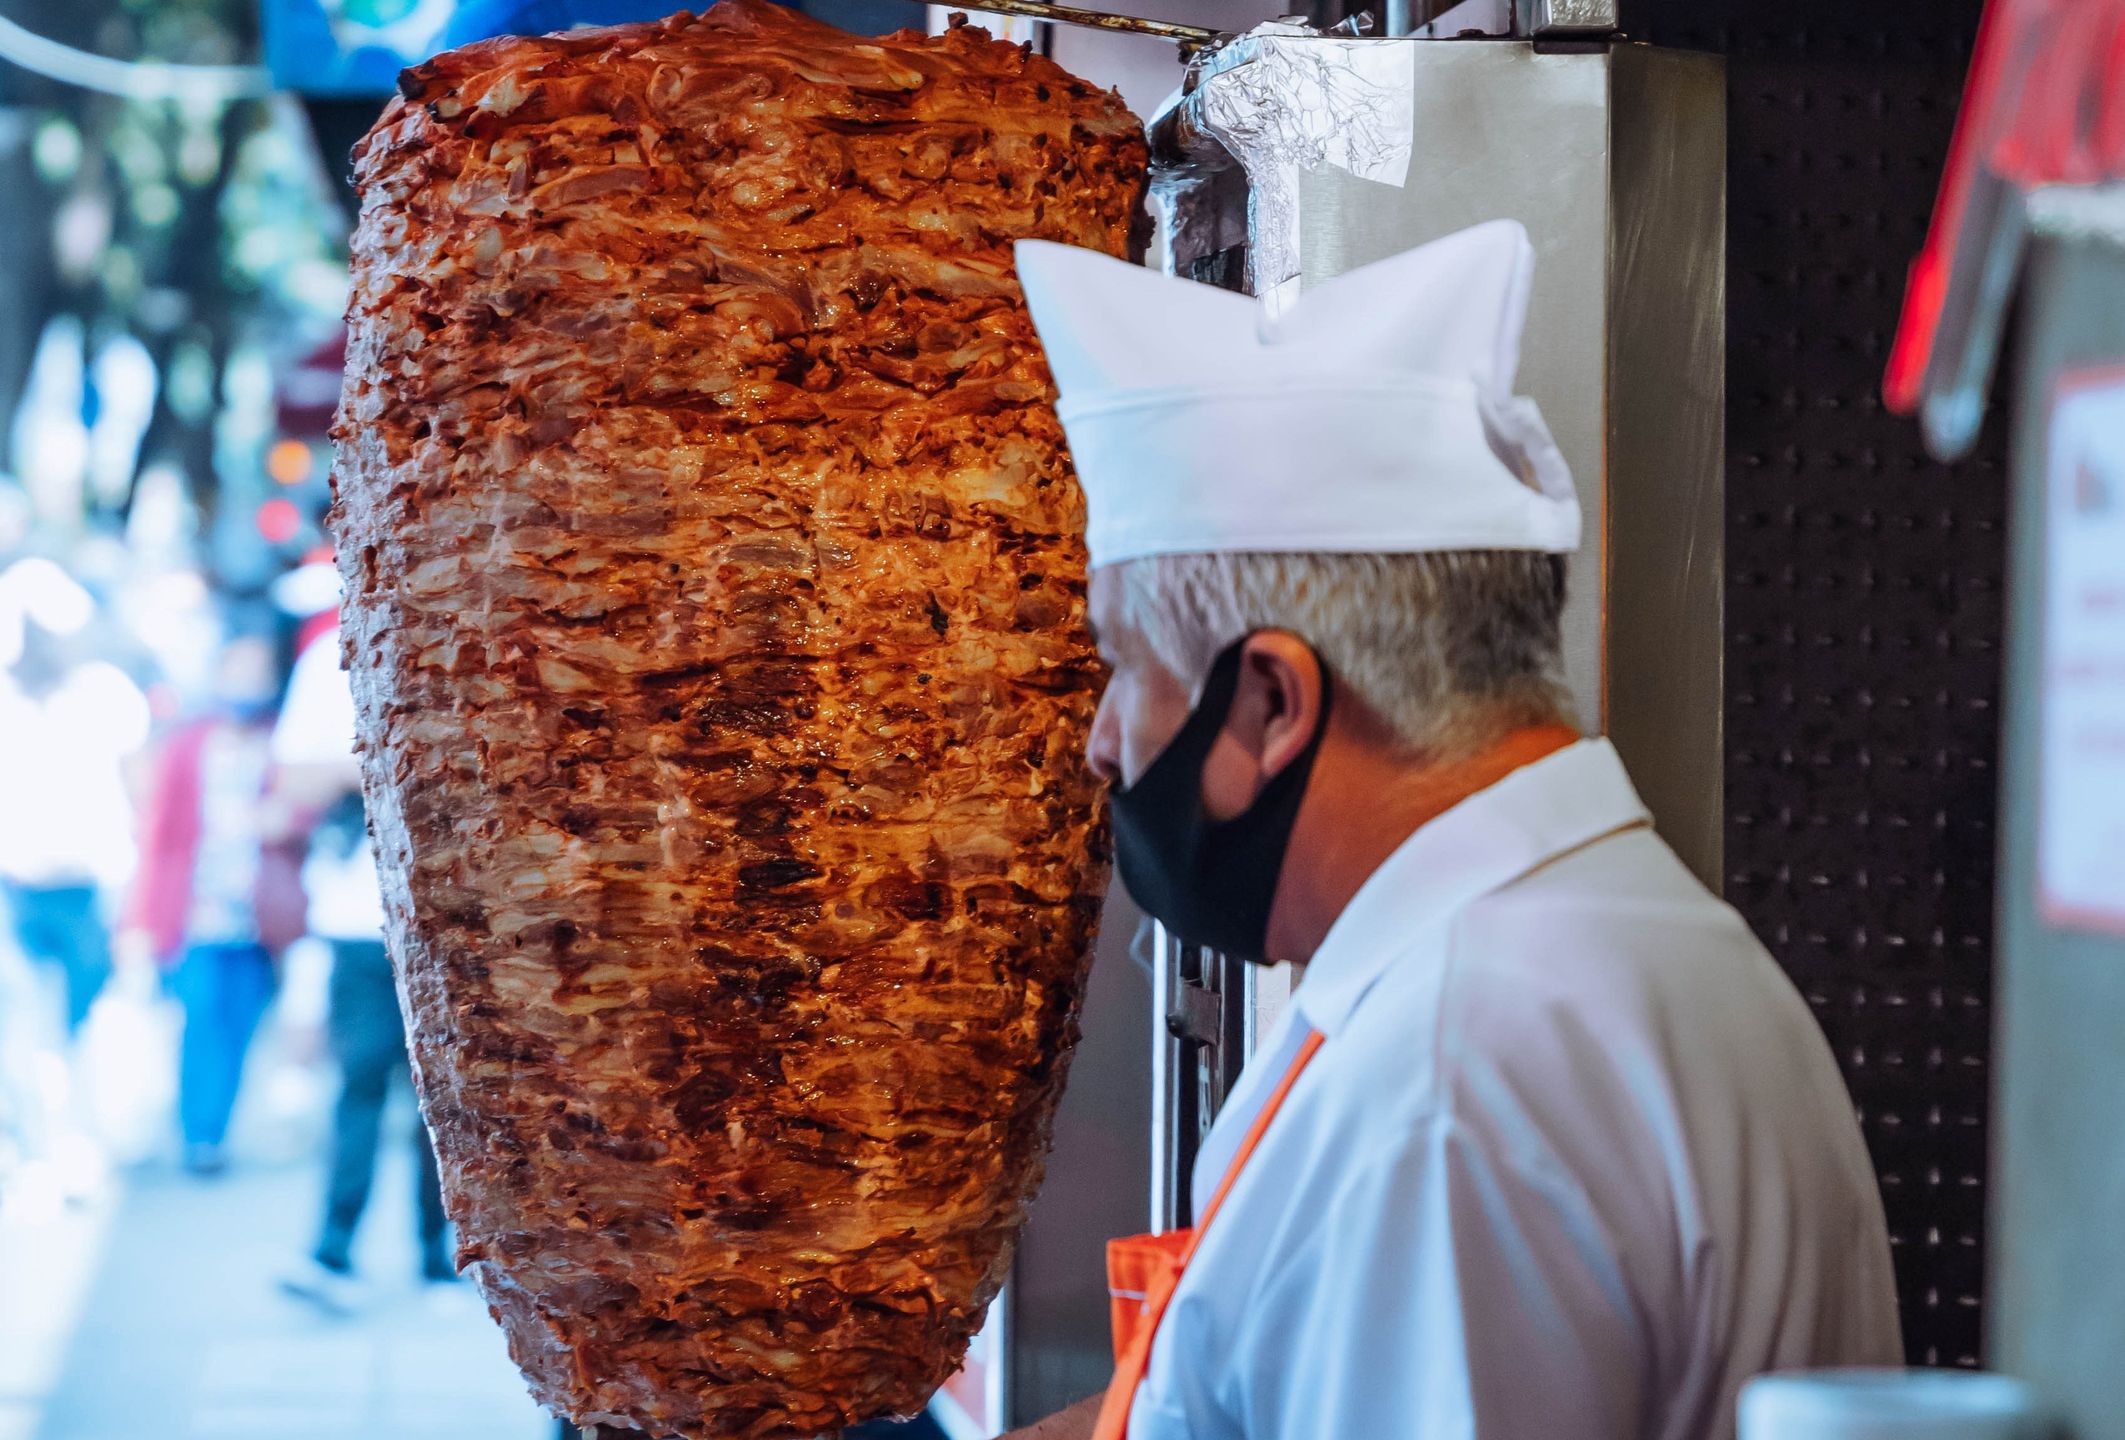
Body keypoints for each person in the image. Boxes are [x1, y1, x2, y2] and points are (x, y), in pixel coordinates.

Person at [1002, 222, 1901, 1440]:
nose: (1101, 740)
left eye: (1123, 670)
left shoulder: (1450, 1086)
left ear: (1270, 703)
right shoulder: (1628, 942)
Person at [271, 604, 453, 1309]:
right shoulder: (329, 658)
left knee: (442, 1094)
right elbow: (293, 779)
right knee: (360, 1083)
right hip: (355, 913)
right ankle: (333, 1248)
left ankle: (438, 1254)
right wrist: (380, 759)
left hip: (444, 917)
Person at [126, 618, 305, 1176]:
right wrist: (144, 916)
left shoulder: (282, 738)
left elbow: (305, 808)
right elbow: (161, 836)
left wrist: (285, 819)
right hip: (197, 914)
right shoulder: (188, 746)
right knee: (199, 1020)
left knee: (240, 1026)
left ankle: (217, 1127)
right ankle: (197, 1133)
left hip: (256, 918)